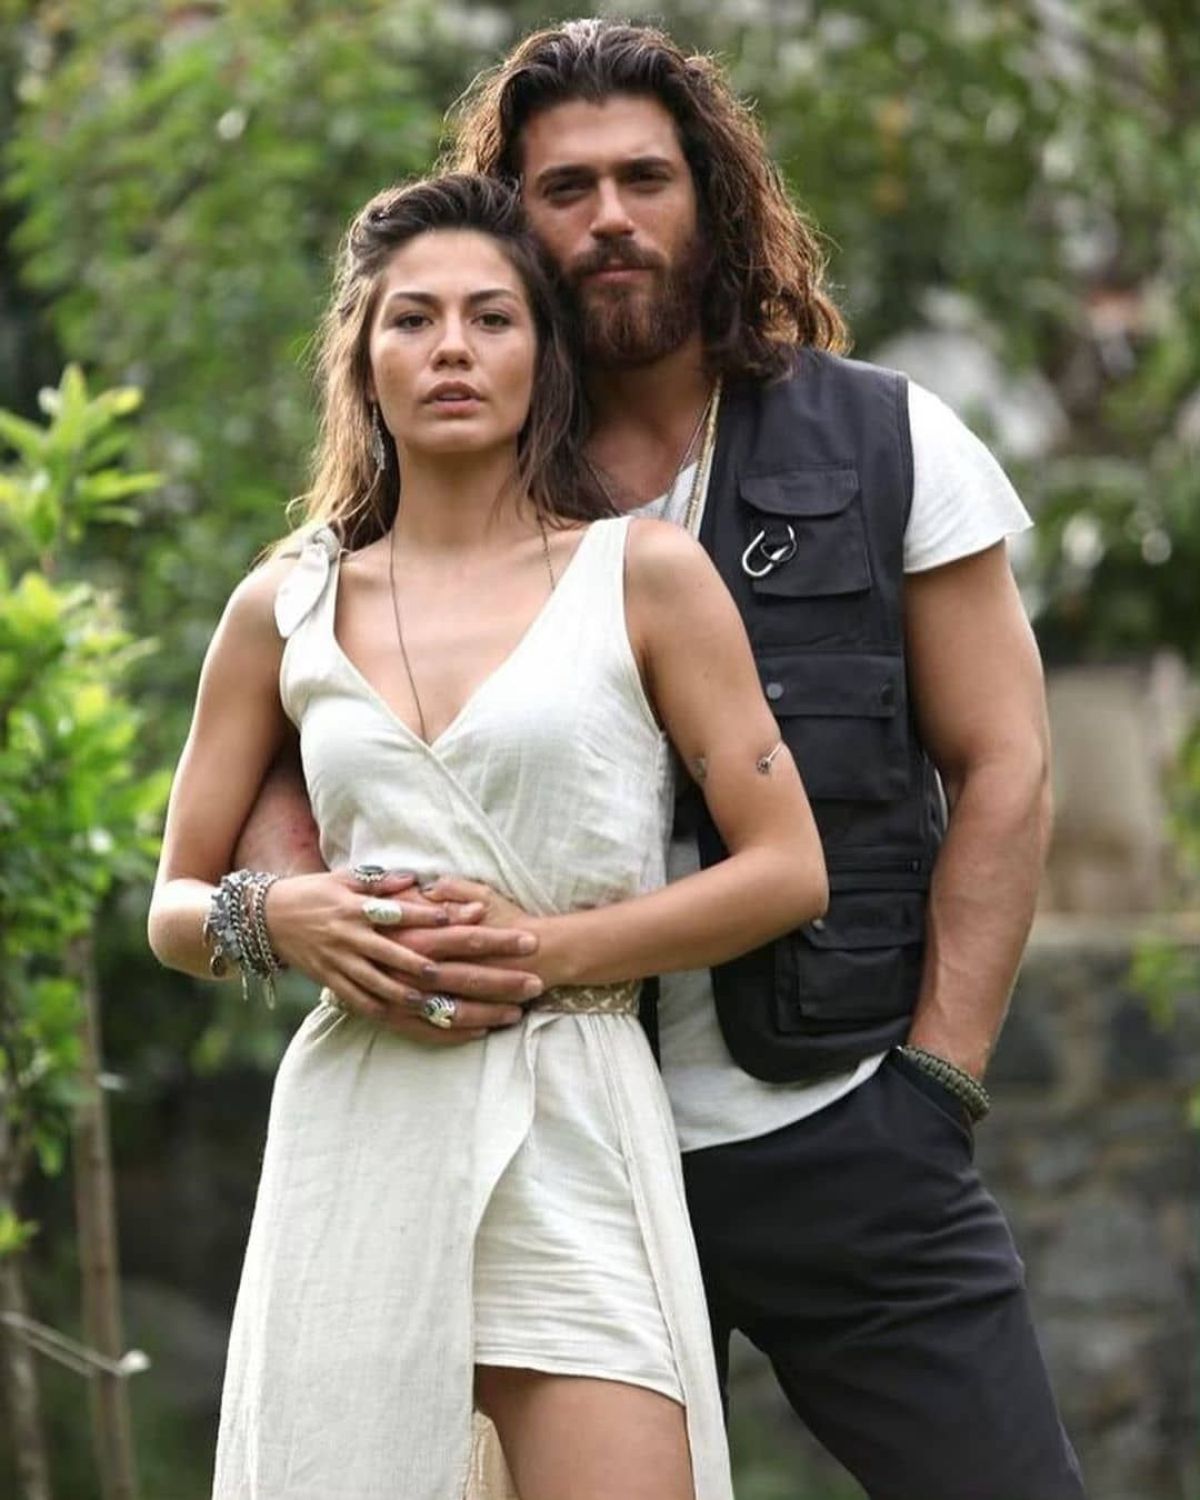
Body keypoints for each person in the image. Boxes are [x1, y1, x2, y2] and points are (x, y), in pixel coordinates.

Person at [236, 22, 1088, 1500]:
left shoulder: (886, 439)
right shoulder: (459, 453)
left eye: (646, 178)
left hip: (839, 1127)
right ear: (514, 219)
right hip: (539, 1146)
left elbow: (1006, 765)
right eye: (565, 190)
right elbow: (301, 723)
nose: (611, 219)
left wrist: (936, 1084)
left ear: (712, 195)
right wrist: (307, 910)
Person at [148, 171, 829, 1500]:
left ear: (544, 355)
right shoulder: (283, 605)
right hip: (363, 1121)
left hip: (574, 1112)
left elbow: (786, 869)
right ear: (362, 358)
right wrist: (276, 917)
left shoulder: (642, 576)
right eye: (413, 319)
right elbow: (174, 905)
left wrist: (544, 949)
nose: (452, 348)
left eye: (491, 318)